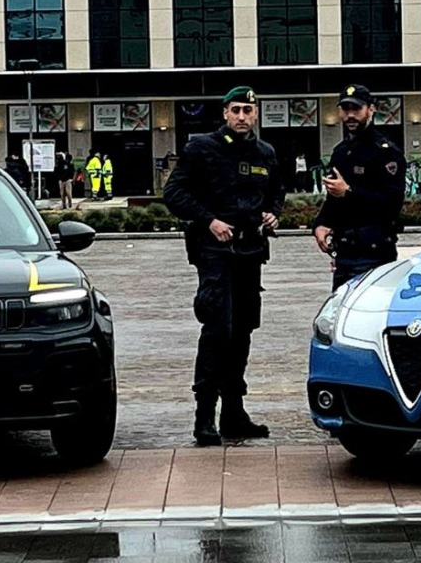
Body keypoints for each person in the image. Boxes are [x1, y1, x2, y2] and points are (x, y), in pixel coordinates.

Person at [163, 85, 285, 447]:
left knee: (243, 331)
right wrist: (209, 220)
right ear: (225, 114)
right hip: (215, 252)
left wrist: (273, 213)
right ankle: (204, 416)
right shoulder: (202, 148)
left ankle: (234, 412)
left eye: (248, 111)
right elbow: (174, 194)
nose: (242, 117)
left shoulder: (265, 152)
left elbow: (276, 190)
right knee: (218, 330)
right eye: (236, 111)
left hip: (250, 252)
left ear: (256, 114)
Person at [312, 84, 407, 290]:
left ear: (370, 110)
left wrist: (349, 192)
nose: (351, 115)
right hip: (344, 251)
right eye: (346, 109)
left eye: (357, 109)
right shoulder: (341, 152)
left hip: (374, 251)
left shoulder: (385, 152)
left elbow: (392, 203)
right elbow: (333, 198)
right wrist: (320, 224)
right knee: (340, 315)